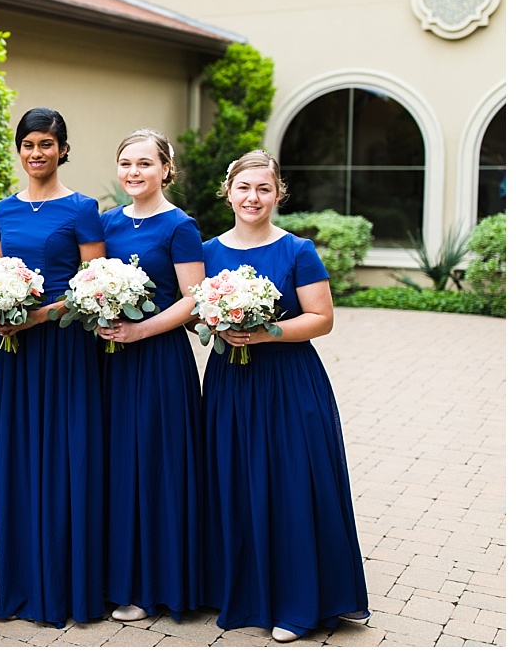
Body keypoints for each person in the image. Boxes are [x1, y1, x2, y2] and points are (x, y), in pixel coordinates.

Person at [200, 150, 370, 642]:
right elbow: (192, 310)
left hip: (290, 383)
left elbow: (322, 318)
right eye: (244, 188)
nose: (253, 198)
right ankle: (244, 592)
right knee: (235, 481)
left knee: (293, 483)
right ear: (228, 191)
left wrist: (266, 330)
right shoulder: (207, 251)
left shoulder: (298, 250)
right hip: (231, 383)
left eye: (264, 189)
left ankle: (299, 602)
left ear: (278, 194)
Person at [0, 107, 107, 627]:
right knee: (20, 456)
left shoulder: (84, 209)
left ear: (62, 149)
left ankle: (70, 585)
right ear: (18, 150)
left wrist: (40, 315)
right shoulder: (3, 210)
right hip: (16, 352)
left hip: (65, 347)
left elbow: (96, 285)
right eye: (28, 144)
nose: (36, 153)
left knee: (66, 457)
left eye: (46, 144)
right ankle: (22, 583)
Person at [97, 129, 204, 623]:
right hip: (111, 362)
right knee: (118, 467)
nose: (133, 172)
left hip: (159, 360)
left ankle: (156, 584)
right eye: (126, 163)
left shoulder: (180, 226)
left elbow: (193, 299)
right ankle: (118, 579)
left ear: (165, 169)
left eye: (144, 163)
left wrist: (141, 332)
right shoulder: (105, 222)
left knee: (155, 466)